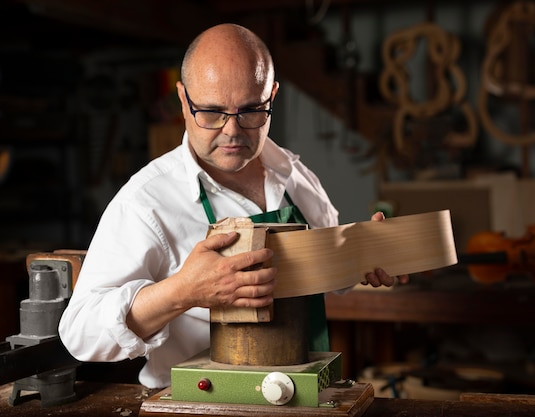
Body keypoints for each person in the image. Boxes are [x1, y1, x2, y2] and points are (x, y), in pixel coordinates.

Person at [58, 23, 405, 389]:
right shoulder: (146, 201)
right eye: (210, 112)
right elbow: (80, 333)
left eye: (251, 111)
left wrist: (365, 257)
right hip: (198, 406)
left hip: (303, 395)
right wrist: (183, 291)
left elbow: (327, 271)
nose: (231, 131)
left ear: (271, 96)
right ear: (183, 98)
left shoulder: (293, 174)